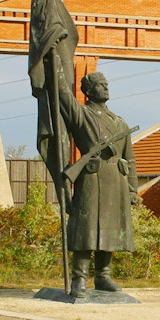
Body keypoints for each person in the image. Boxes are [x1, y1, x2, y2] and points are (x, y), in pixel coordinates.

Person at [58, 70, 138, 298]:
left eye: (106, 84)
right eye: (100, 85)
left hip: (116, 181)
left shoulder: (120, 122)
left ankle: (103, 276)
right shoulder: (81, 115)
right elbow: (63, 95)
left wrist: (133, 189)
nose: (106, 87)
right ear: (89, 91)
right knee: (86, 229)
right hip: (91, 179)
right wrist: (55, 61)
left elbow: (130, 159)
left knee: (111, 230)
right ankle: (79, 279)